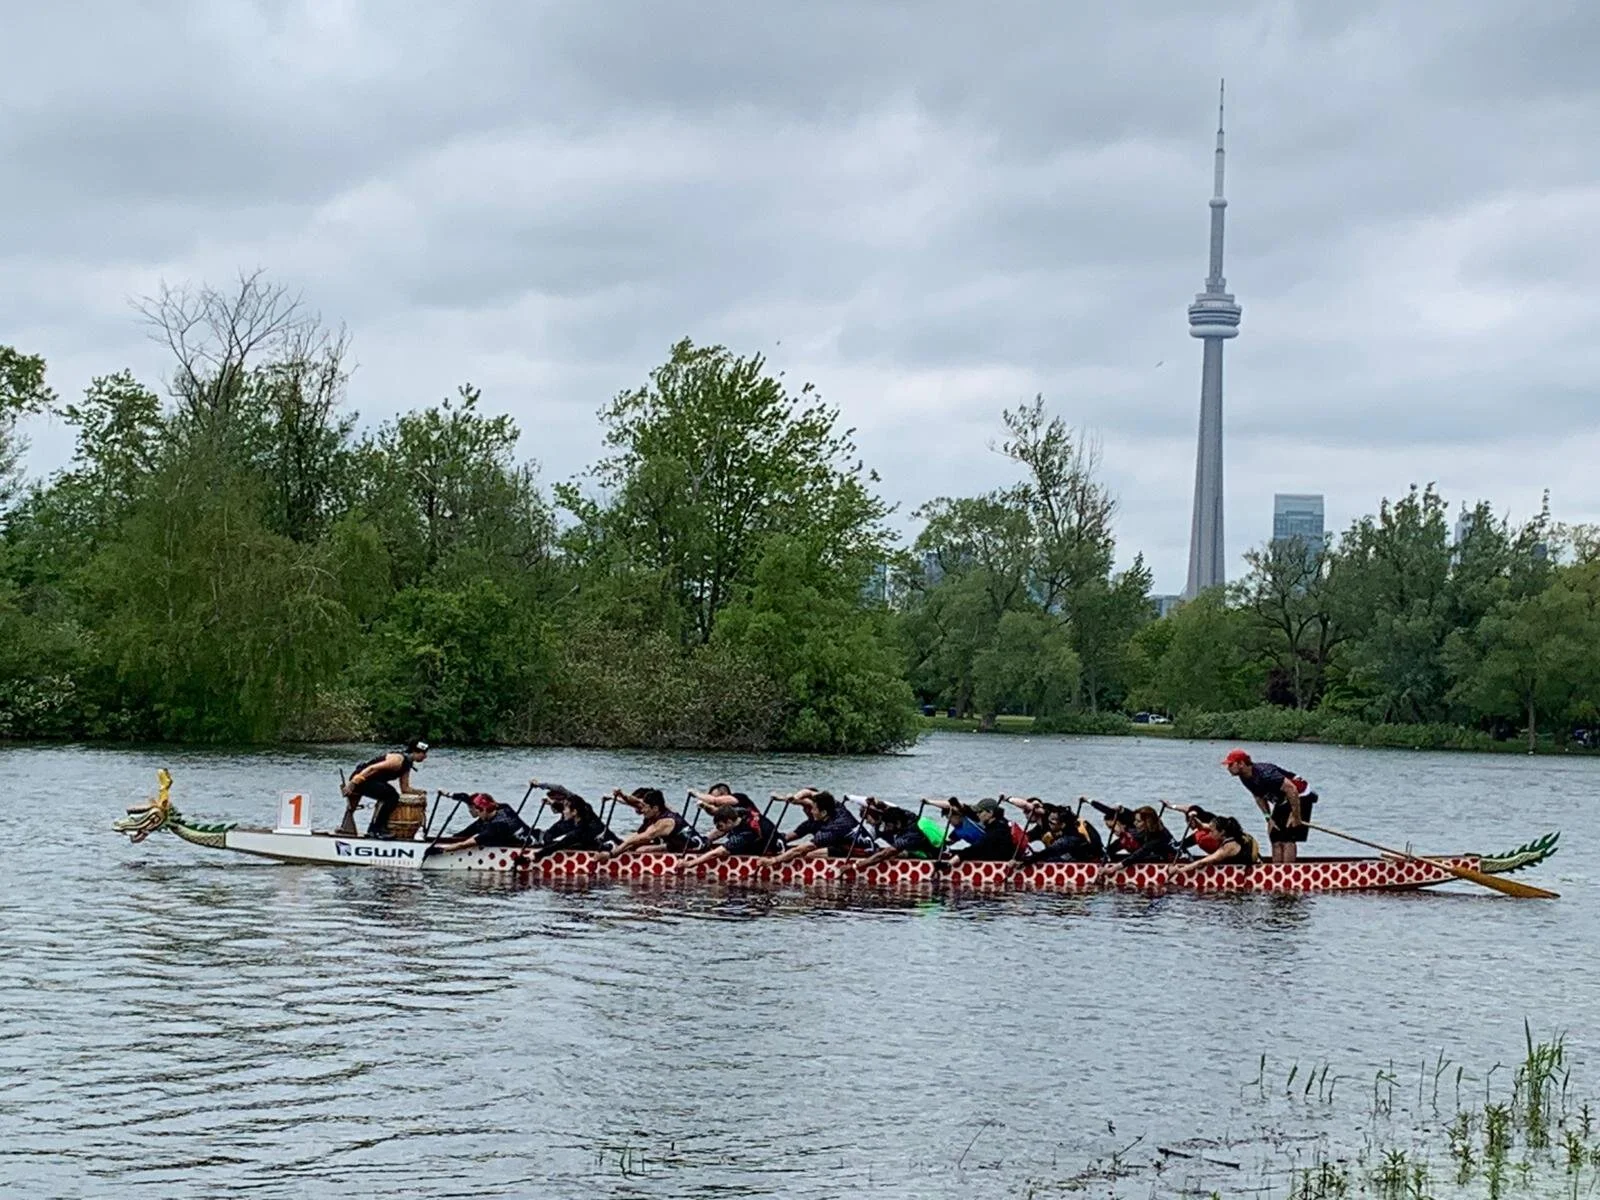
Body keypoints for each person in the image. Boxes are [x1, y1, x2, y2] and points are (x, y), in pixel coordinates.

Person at [1222, 749, 1317, 864]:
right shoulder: (1244, 777)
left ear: (1241, 764)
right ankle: (1276, 872)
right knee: (1275, 836)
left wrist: (1296, 816)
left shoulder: (1266, 773)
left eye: (1231, 764)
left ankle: (1287, 872)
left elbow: (1291, 789)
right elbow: (1258, 796)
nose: (1228, 768)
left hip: (1300, 794)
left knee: (1288, 838)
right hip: (1282, 799)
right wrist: (1268, 818)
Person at [340, 740, 428, 838]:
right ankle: (377, 829)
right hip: (361, 778)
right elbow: (371, 769)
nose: (425, 756)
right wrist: (352, 783)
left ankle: (375, 829)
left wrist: (420, 792)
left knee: (391, 794)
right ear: (415, 752)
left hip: (371, 780)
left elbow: (405, 788)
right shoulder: (397, 760)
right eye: (423, 753)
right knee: (392, 796)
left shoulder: (406, 765)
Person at [595, 788, 709, 859]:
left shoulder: (663, 823)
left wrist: (612, 855)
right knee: (634, 845)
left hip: (695, 849)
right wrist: (620, 795)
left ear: (654, 808)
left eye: (645, 808)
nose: (642, 810)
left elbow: (636, 839)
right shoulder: (663, 809)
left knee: (640, 850)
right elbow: (636, 802)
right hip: (679, 844)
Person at [769, 791, 876, 865]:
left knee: (808, 854)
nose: (811, 811)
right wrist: (793, 798)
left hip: (861, 852)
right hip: (860, 845)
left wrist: (773, 861)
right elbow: (808, 793)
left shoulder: (832, 829)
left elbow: (799, 850)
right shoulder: (837, 807)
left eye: (814, 809)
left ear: (823, 812)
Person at [845, 801, 947, 870]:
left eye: (888, 825)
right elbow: (887, 807)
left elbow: (883, 855)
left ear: (897, 823)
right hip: (927, 848)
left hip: (930, 856)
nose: (887, 828)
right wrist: (876, 802)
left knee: (887, 853)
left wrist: (855, 866)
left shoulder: (909, 835)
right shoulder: (907, 815)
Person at [675, 805, 781, 872]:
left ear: (729, 822)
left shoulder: (745, 834)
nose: (718, 829)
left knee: (726, 850)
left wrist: (689, 864)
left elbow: (716, 853)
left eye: (720, 826)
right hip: (771, 838)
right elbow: (720, 810)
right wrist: (705, 806)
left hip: (774, 849)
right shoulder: (740, 812)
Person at [428, 792, 533, 854]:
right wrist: (450, 795)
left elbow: (465, 845)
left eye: (478, 812)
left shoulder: (495, 827)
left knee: (477, 828)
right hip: (530, 835)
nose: (476, 815)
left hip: (529, 846)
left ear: (484, 810)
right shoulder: (504, 807)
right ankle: (449, 838)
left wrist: (442, 850)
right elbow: (471, 798)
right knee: (461, 834)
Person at [532, 790, 615, 859]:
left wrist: (536, 855)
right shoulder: (579, 815)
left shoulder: (581, 830)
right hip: (599, 840)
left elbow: (559, 845)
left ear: (574, 812)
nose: (563, 811)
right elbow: (574, 806)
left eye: (565, 809)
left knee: (564, 842)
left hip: (609, 845)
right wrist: (552, 803)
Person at [1168, 814, 1260, 876]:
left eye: (1212, 832)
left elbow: (1202, 862)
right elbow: (1202, 826)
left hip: (1243, 872)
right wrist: (1194, 819)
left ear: (1222, 832)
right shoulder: (1229, 831)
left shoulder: (1229, 847)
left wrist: (1179, 870)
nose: (1209, 834)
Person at [943, 798, 1020, 864]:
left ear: (990, 813)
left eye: (980, 812)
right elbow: (970, 812)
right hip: (995, 856)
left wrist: (949, 863)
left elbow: (976, 848)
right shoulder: (998, 822)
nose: (977, 815)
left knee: (963, 854)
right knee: (954, 853)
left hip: (1001, 863)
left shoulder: (998, 830)